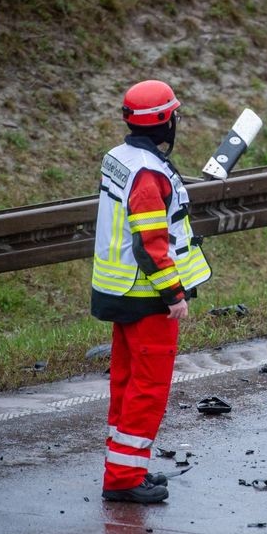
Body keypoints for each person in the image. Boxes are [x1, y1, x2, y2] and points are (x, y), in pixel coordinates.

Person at [92, 79, 211, 504]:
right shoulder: (147, 174)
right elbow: (151, 243)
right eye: (174, 114)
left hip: (118, 290)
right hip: (145, 296)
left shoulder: (120, 158)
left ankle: (123, 468)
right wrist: (174, 295)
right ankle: (124, 479)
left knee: (125, 383)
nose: (177, 121)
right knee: (147, 388)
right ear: (164, 121)